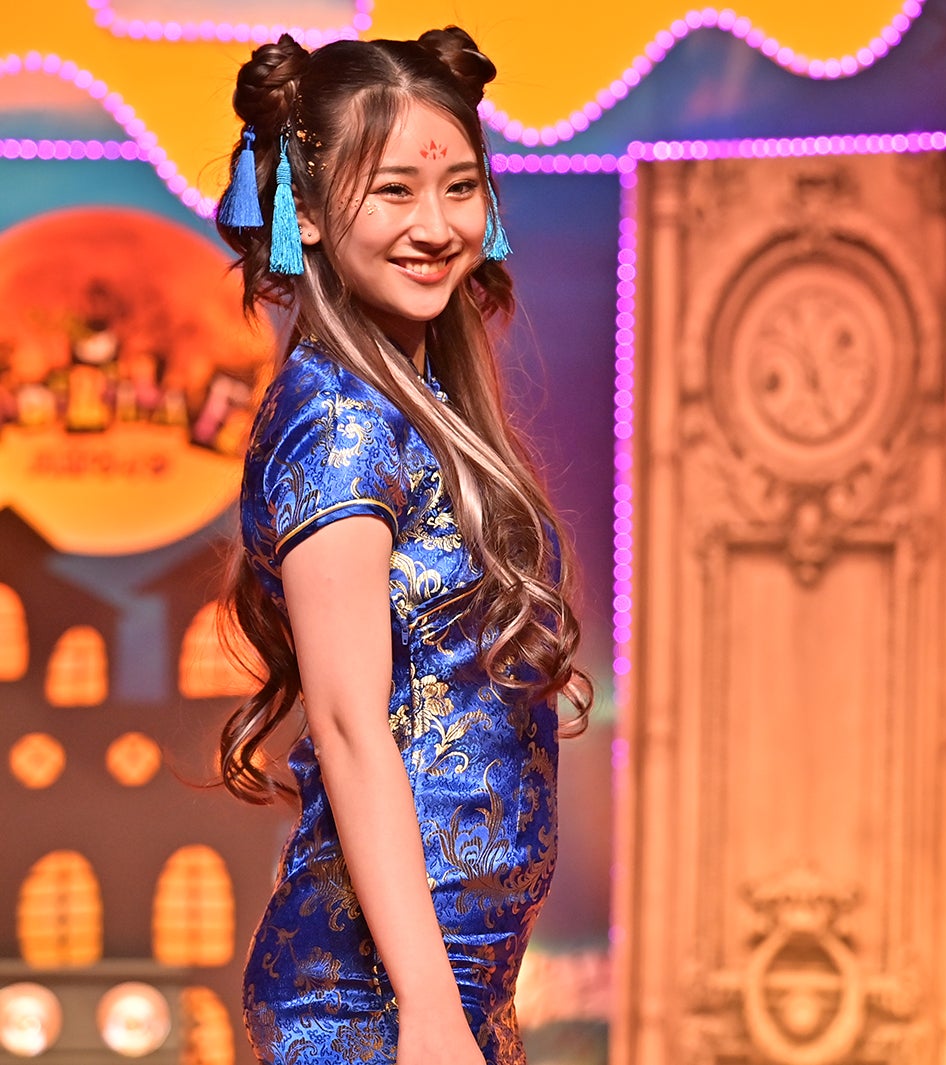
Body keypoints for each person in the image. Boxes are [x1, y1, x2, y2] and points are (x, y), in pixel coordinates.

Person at [212, 27, 590, 1065]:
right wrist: (426, 1008)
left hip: (453, 981)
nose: (435, 225)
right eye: (394, 192)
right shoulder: (339, 421)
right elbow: (347, 725)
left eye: (459, 188)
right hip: (375, 996)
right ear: (305, 213)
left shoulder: (419, 403)